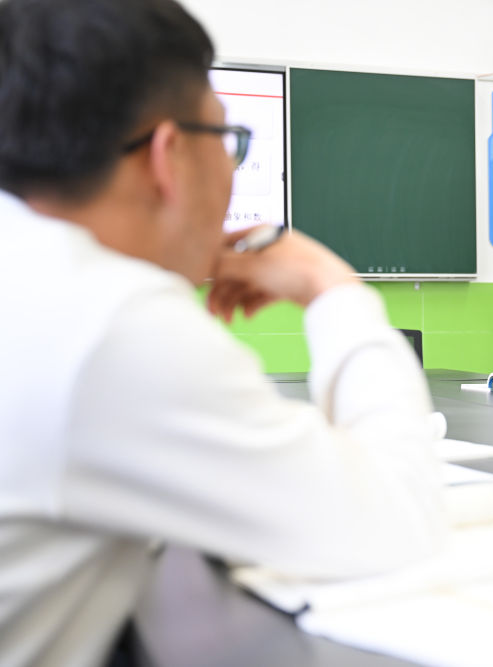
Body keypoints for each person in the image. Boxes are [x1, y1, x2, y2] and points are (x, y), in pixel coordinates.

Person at [0, 1, 446, 665]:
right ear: (170, 155)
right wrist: (332, 286)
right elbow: (397, 523)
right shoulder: (105, 319)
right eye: (230, 139)